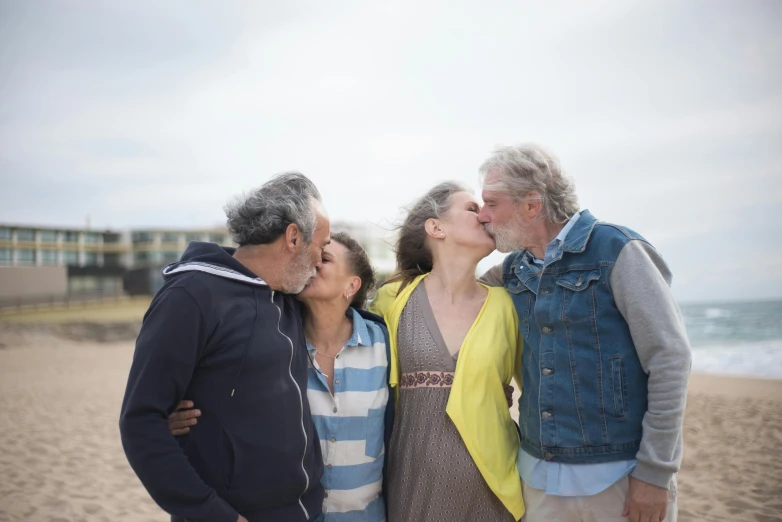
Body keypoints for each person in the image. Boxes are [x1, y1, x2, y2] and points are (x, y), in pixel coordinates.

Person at [477, 144, 691, 522]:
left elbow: (670, 358)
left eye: (491, 203)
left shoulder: (617, 250)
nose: (483, 216)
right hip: (537, 477)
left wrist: (655, 475)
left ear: (532, 204)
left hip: (620, 476)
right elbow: (457, 292)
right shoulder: (511, 270)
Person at [119, 172, 331, 522]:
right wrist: (213, 515)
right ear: (293, 237)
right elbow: (140, 421)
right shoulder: (190, 297)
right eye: (320, 247)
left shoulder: (288, 298)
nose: (320, 261)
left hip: (304, 513)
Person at [169, 231, 395, 522]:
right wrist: (170, 418)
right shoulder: (272, 345)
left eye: (324, 259)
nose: (312, 263)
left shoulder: (383, 344)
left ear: (352, 285)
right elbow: (222, 393)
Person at [369, 182, 525, 522]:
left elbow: (542, 393)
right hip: (411, 491)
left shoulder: (507, 306)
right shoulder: (392, 300)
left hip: (495, 495)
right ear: (435, 227)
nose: (485, 215)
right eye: (472, 208)